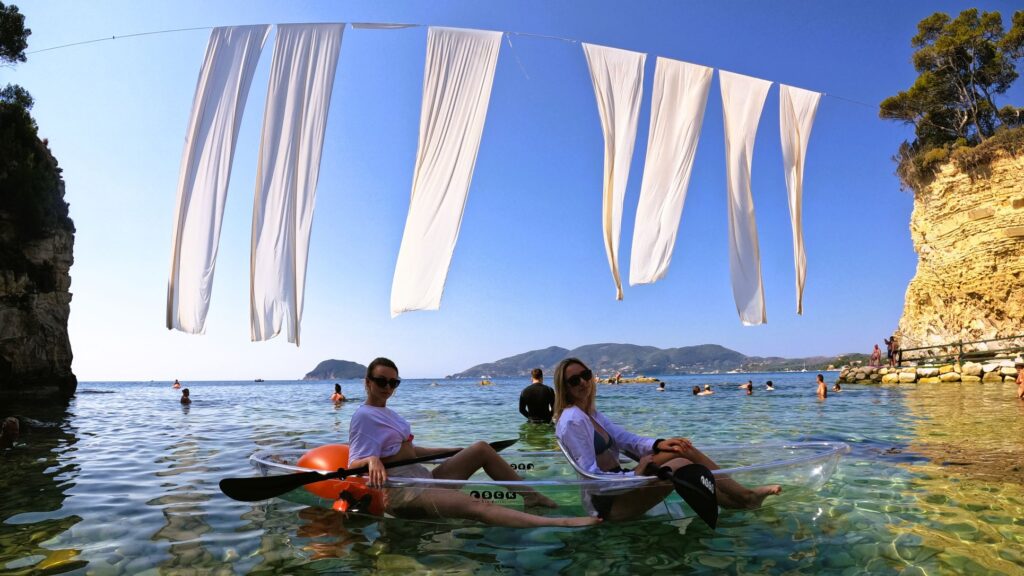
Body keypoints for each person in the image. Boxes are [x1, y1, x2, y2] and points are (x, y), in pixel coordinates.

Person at [347, 357, 598, 527]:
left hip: (424, 479)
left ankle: (532, 497)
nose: (388, 387)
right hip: (405, 494)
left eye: (393, 382)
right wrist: (371, 460)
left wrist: (453, 451)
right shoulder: (364, 416)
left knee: (479, 448)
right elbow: (352, 465)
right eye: (381, 381)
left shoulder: (387, 413)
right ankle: (560, 523)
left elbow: (410, 451)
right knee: (478, 505)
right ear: (367, 382)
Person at [553, 358, 780, 520]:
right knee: (681, 461)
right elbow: (591, 478)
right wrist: (636, 473)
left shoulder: (590, 414)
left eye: (585, 375)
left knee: (681, 449)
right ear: (564, 387)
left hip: (622, 484)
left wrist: (658, 444)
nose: (583, 382)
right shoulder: (572, 419)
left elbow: (625, 438)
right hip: (608, 502)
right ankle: (744, 498)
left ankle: (742, 501)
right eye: (574, 380)